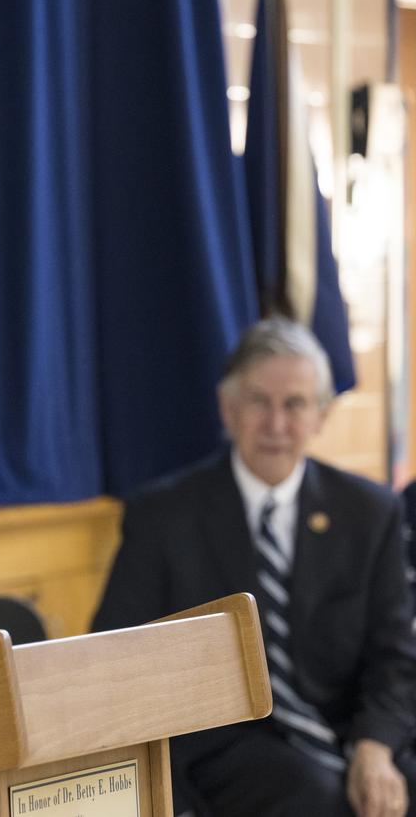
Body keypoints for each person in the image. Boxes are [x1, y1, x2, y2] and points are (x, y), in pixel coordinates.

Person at [92, 317, 416, 817]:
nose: (276, 425)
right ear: (228, 408)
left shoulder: (369, 513)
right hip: (223, 746)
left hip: (347, 728)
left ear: (321, 416)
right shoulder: (162, 516)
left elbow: (394, 658)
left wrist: (375, 745)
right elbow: (113, 658)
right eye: (258, 402)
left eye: (295, 405)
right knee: (315, 796)